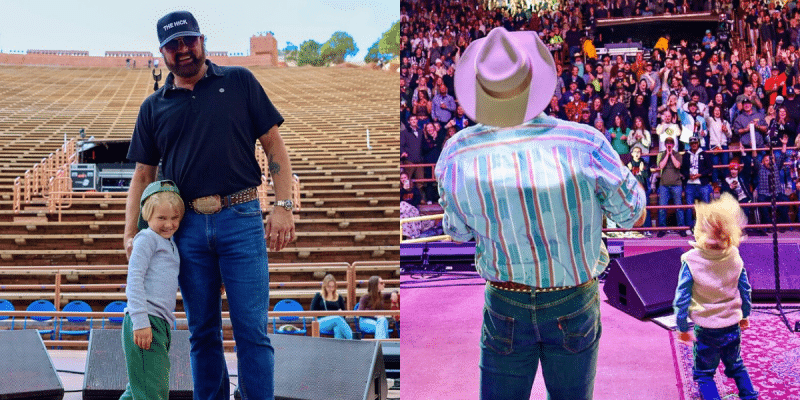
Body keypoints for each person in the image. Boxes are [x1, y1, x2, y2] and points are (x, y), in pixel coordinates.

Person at [437, 27, 646, 400]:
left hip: (505, 299)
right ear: (535, 82)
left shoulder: (457, 154)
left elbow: (458, 232)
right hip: (573, 297)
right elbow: (633, 215)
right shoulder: (585, 143)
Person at [124, 11, 295, 400]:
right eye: (173, 45)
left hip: (241, 217)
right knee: (202, 331)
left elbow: (273, 145)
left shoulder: (239, 81)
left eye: (189, 40)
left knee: (252, 328)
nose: (183, 50)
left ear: (201, 40)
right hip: (184, 230)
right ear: (163, 52)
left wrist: (282, 205)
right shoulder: (154, 106)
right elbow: (142, 176)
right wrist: (130, 231)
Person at [672, 193, 758, 400]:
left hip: (707, 329)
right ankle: (749, 396)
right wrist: (745, 314)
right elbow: (745, 290)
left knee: (704, 373)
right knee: (736, 365)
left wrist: (682, 327)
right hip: (731, 324)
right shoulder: (735, 256)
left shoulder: (691, 260)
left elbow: (682, 298)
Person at [121, 180, 184, 400]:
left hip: (161, 322)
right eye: (162, 218)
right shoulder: (147, 239)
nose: (169, 224)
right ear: (147, 216)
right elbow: (134, 278)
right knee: (152, 392)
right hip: (146, 320)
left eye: (174, 218)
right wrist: (140, 321)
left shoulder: (170, 243)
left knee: (139, 389)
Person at [681, 136, 714, 234]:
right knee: (689, 206)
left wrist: (700, 174)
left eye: (695, 143)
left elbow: (710, 168)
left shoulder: (704, 154)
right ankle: (689, 227)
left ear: (698, 143)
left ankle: (707, 227)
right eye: (692, 143)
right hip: (690, 184)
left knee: (706, 205)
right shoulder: (686, 155)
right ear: (690, 145)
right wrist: (688, 175)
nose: (694, 145)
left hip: (702, 183)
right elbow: (682, 169)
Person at [657, 137, 687, 237]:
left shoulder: (677, 154)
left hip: (676, 185)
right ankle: (662, 229)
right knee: (662, 208)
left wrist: (671, 155)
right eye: (667, 143)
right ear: (665, 145)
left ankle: (681, 228)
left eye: (671, 143)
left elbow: (677, 165)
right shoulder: (662, 154)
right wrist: (667, 155)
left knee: (678, 207)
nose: (669, 145)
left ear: (673, 145)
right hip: (664, 185)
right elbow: (661, 166)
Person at [310, 274, 353, 340]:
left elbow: (343, 314)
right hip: (321, 322)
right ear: (324, 286)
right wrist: (331, 315)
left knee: (338, 328)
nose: (331, 289)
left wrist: (341, 313)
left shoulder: (339, 297)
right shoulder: (318, 296)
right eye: (329, 287)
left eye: (333, 286)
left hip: (337, 321)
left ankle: (338, 349)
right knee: (337, 319)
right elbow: (312, 311)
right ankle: (354, 340)